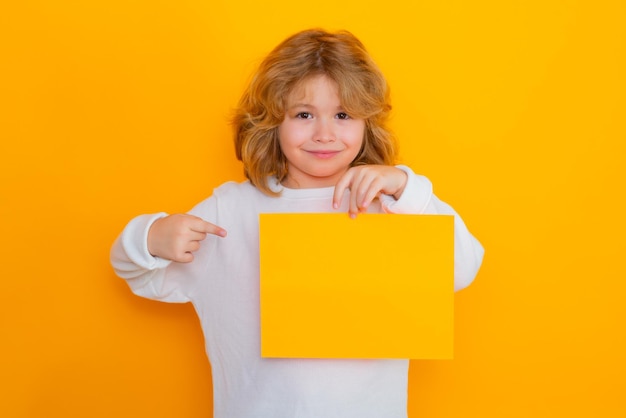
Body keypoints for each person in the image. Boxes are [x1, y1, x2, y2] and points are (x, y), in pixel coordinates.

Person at [111, 28, 484, 418]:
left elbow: (463, 268)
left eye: (343, 115)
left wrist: (408, 187)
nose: (324, 134)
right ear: (272, 121)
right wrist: (149, 237)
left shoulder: (390, 205)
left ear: (366, 123)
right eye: (304, 115)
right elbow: (141, 276)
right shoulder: (231, 211)